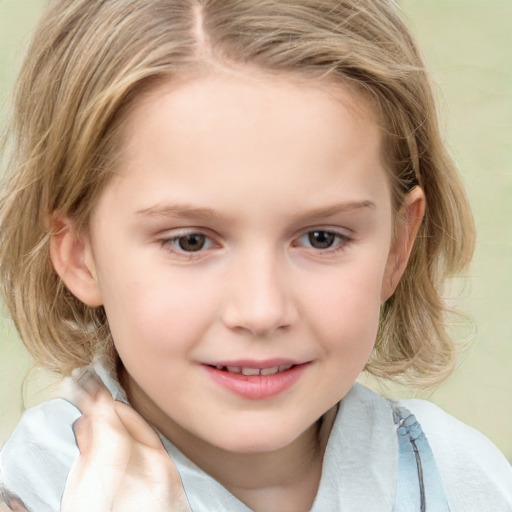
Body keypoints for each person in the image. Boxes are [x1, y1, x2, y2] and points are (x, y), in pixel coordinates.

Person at [0, 0, 510, 511]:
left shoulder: (459, 477)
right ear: (79, 253)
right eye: (191, 241)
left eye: (321, 238)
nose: (262, 311)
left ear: (398, 245)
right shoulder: (32, 493)